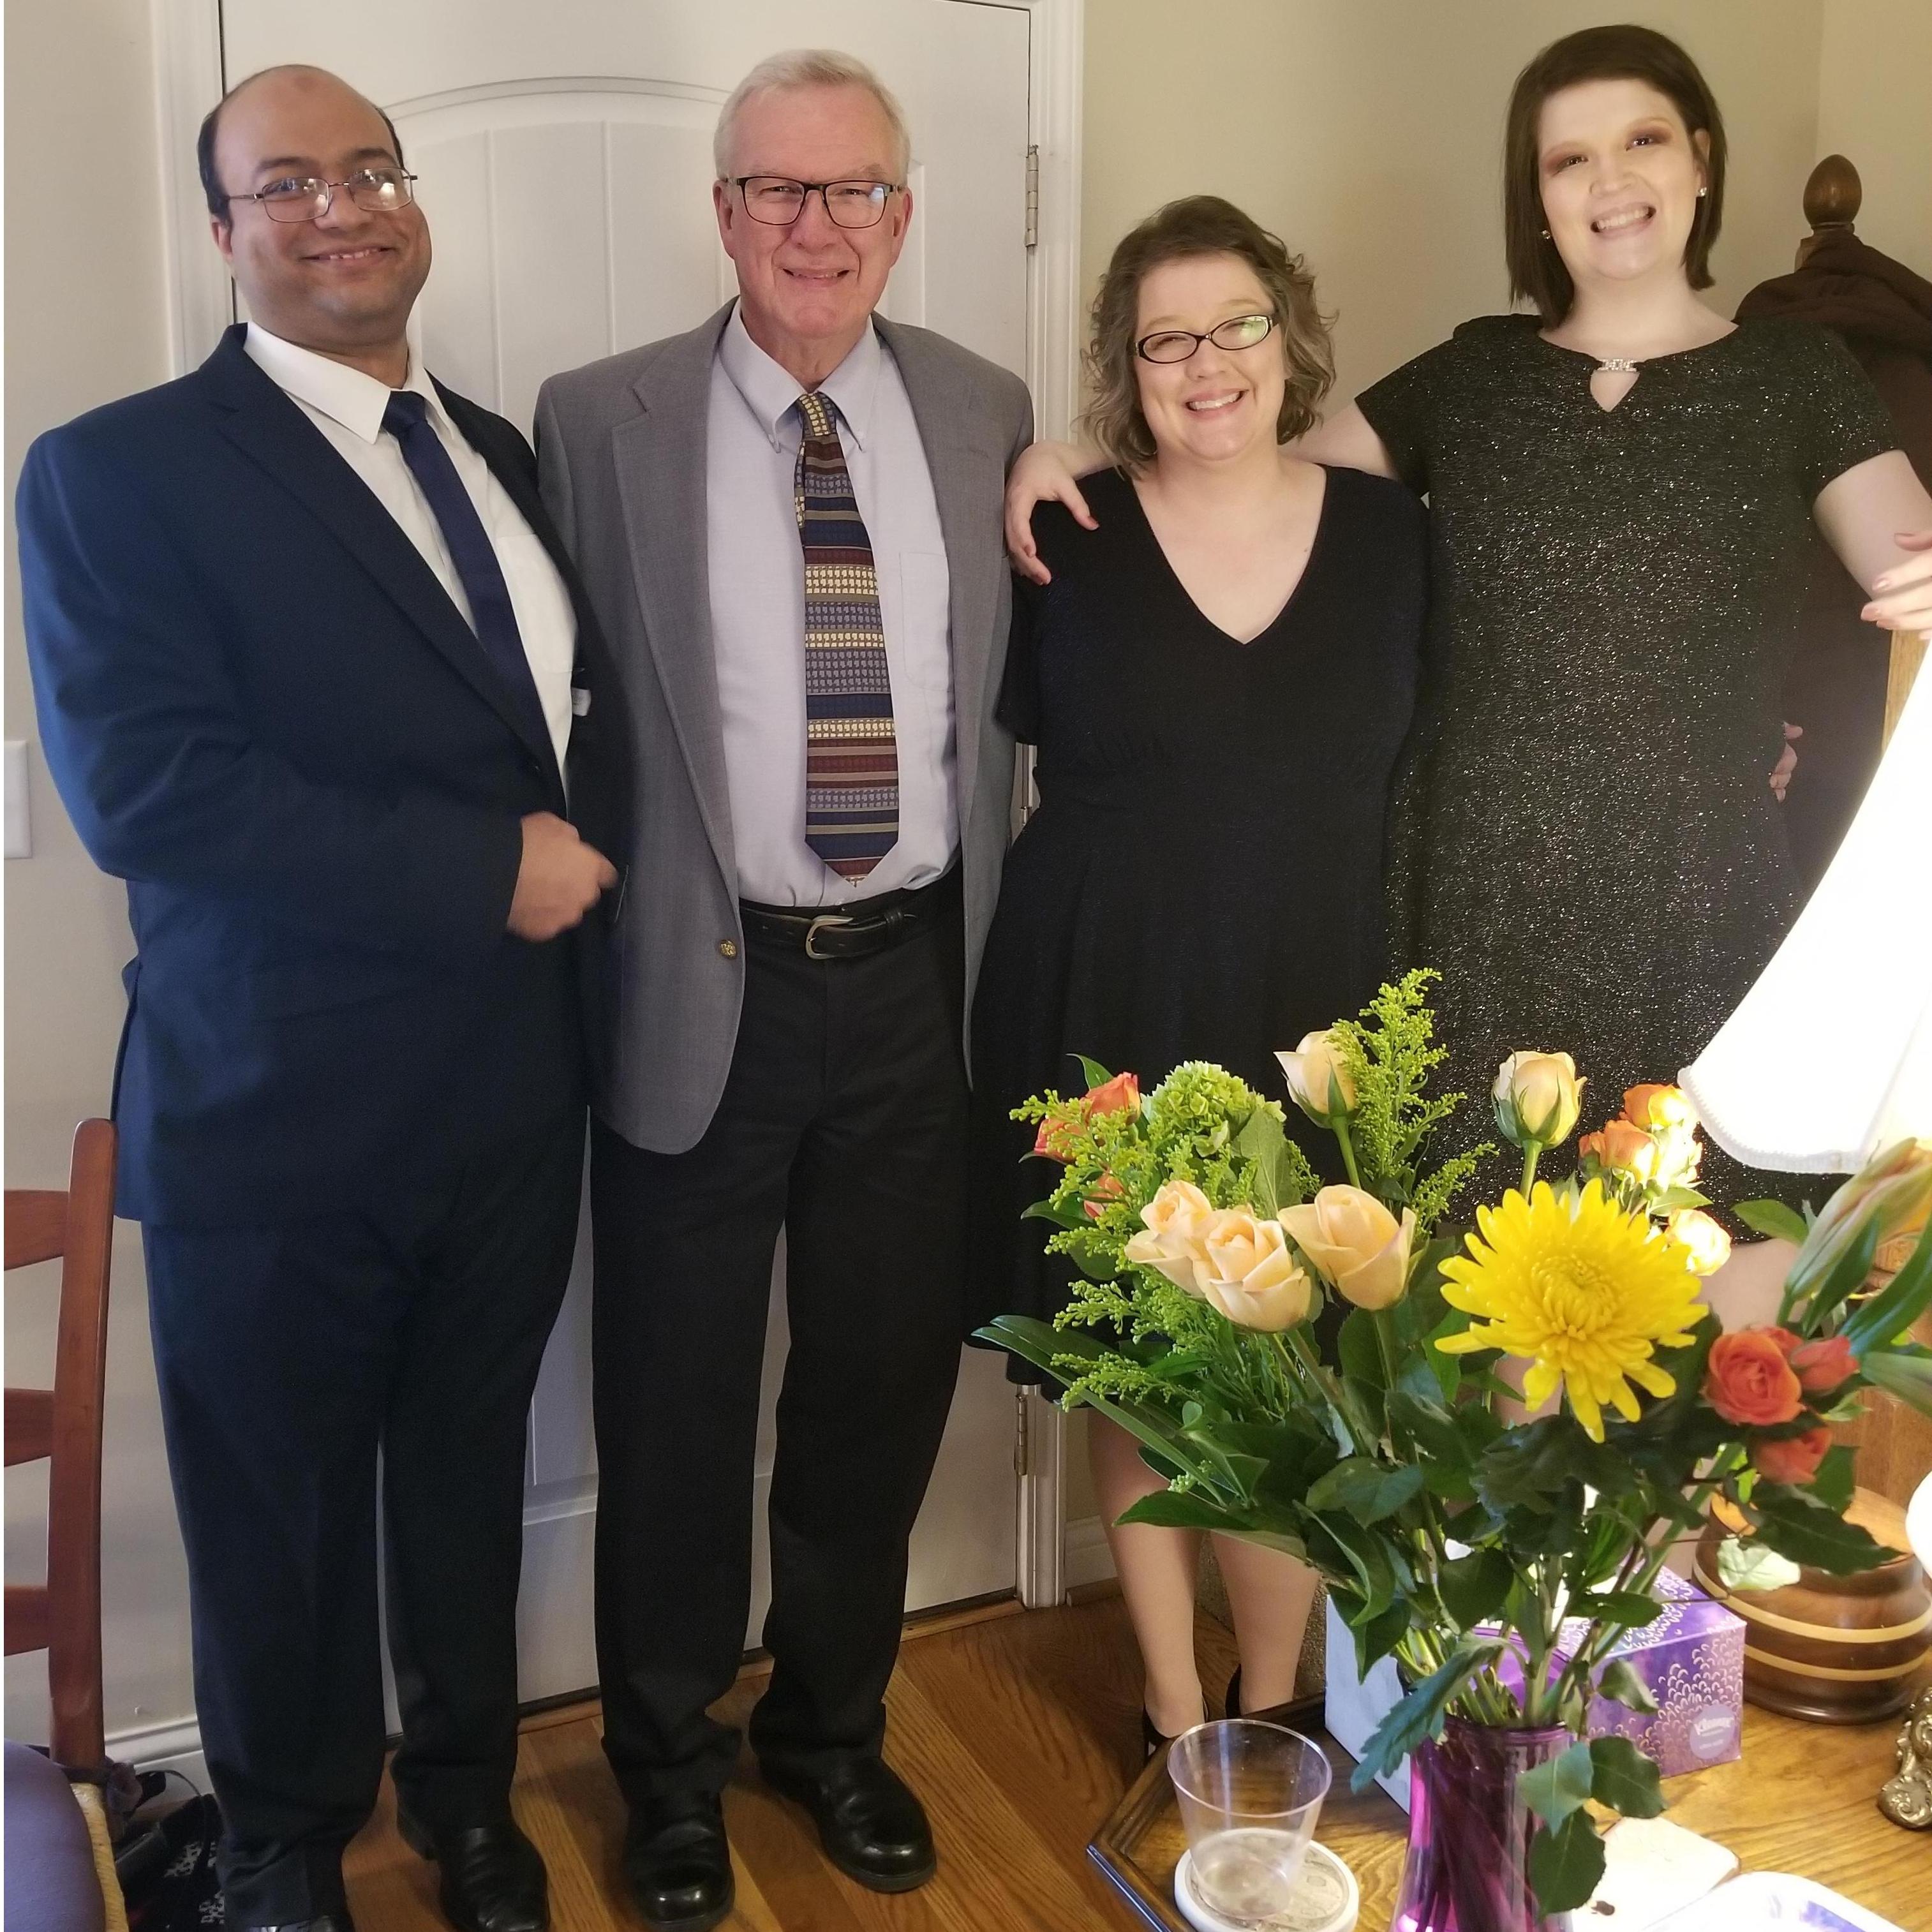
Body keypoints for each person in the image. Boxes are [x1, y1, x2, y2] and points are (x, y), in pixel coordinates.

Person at [1004, 26, 1932, 1310]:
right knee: (1469, 1334)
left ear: (1701, 163)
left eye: (1642, 139)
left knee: (1706, 1312)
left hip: (1697, 896)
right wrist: (1066, 464)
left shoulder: (1795, 377)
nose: (1609, 180)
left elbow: (1909, 570)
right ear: (1534, 198)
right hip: (1467, 907)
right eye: (1568, 158)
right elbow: (1236, 464)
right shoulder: (1468, 377)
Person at [18, 65, 623, 1932]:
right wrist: (484, 871)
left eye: (371, 168)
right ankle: (283, 1848)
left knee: (461, 1480)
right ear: (223, 232)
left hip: (511, 1098)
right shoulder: (114, 471)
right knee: (276, 1523)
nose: (343, 205)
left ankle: (463, 1799)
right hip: (271, 1114)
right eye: (287, 182)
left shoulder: (502, 452)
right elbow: (153, 792)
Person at [535, 50, 1031, 1932]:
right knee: (669, 1402)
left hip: (911, 990)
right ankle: (662, 1763)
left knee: (874, 1391)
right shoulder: (598, 419)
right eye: (777, 190)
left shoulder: (986, 412)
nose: (815, 227)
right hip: (698, 983)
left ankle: (826, 1728)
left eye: (853, 192)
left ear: (903, 214)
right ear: (722, 210)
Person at [968, 196, 1425, 1750]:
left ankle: (1271, 1697)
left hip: (1316, 996)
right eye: (1165, 339)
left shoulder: (1392, 538)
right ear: (1125, 370)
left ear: (1289, 336)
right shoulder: (1069, 535)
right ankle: (1173, 1703)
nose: (1207, 362)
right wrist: (1052, 461)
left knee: (1295, 1358)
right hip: (1106, 981)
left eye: (1237, 323)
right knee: (1138, 1355)